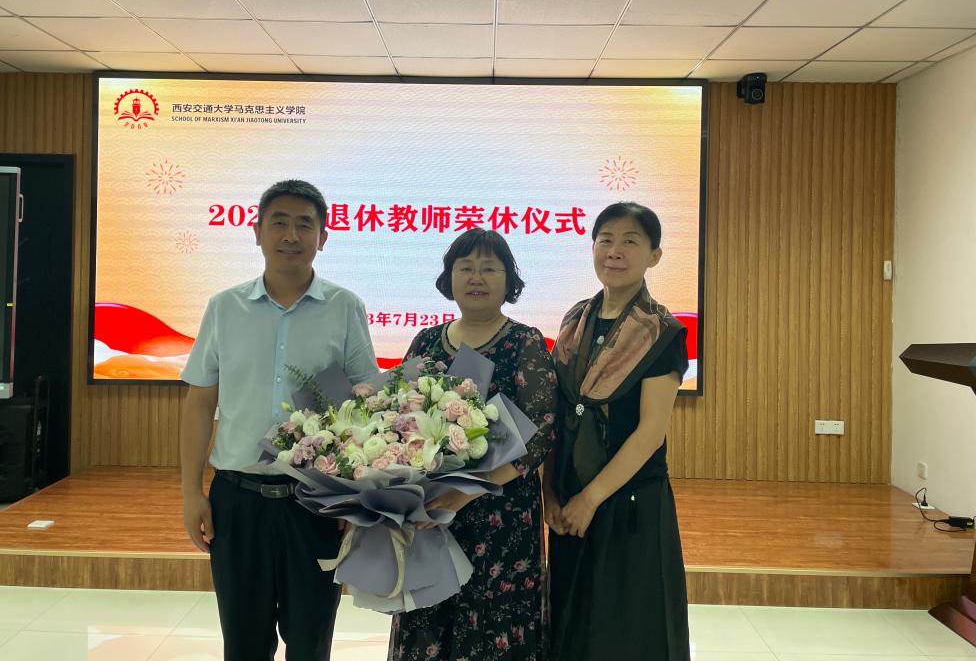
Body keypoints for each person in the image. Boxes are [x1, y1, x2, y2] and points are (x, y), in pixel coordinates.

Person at [180, 179, 379, 661]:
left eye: (305, 225)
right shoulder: (224, 308)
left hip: (316, 502)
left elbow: (364, 404)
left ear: (323, 237)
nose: (292, 235)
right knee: (243, 643)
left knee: (311, 642)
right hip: (237, 500)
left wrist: (354, 498)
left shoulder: (345, 308)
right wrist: (190, 492)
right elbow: (200, 403)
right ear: (257, 232)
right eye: (280, 222)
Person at [389, 228, 557, 661]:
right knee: (428, 621)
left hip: (500, 516)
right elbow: (396, 419)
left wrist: (464, 493)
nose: (476, 277)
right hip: (430, 515)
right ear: (449, 277)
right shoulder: (426, 341)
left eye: (489, 269)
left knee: (492, 625)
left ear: (508, 280)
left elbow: (541, 432)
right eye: (465, 267)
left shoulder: (525, 342)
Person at [545, 201, 690, 661]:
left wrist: (591, 498)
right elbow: (559, 413)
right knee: (571, 620)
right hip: (570, 495)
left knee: (627, 630)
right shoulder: (575, 320)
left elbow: (650, 432)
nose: (615, 250)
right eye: (605, 239)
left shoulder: (662, 332)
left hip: (628, 500)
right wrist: (550, 493)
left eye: (630, 241)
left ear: (654, 255)